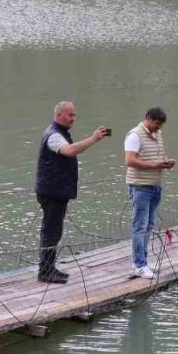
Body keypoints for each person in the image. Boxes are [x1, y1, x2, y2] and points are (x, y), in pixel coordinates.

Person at [35, 101, 108, 284]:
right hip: (52, 192)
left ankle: (50, 268)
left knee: (54, 231)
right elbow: (69, 151)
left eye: (74, 115)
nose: (73, 118)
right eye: (70, 115)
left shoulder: (60, 133)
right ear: (59, 115)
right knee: (51, 232)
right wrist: (94, 139)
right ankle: (45, 272)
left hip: (56, 191)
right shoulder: (53, 136)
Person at [124, 107, 175, 278]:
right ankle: (139, 264)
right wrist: (156, 165)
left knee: (149, 225)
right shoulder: (134, 136)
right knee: (140, 225)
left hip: (155, 186)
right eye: (156, 124)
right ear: (148, 118)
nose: (158, 128)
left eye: (161, 125)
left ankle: (143, 260)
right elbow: (129, 161)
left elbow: (160, 152)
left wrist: (166, 161)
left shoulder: (157, 134)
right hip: (140, 186)